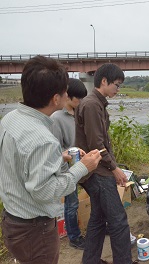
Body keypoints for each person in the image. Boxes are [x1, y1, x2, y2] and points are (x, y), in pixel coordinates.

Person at [0, 55, 101, 264]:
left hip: (12, 218)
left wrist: (60, 158)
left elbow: (22, 164)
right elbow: (46, 191)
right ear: (56, 98)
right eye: (65, 92)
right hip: (35, 230)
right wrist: (83, 167)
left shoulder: (11, 119)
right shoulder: (43, 139)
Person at [75, 63, 132, 263]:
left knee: (98, 220)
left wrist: (115, 166)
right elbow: (96, 144)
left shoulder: (97, 103)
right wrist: (114, 168)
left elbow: (102, 142)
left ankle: (90, 260)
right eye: (117, 85)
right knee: (118, 222)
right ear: (104, 81)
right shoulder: (91, 104)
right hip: (97, 173)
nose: (118, 89)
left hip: (97, 171)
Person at [50, 78, 88, 250]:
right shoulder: (56, 118)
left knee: (96, 195)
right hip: (68, 169)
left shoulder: (80, 113)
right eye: (77, 99)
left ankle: (99, 225)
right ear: (68, 97)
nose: (80, 102)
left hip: (85, 165)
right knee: (71, 204)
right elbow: (56, 149)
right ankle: (74, 237)